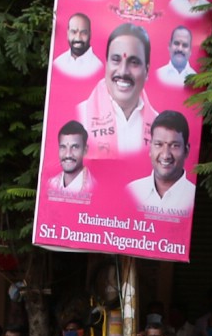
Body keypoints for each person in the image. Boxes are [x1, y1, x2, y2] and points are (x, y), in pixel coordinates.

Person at [81, 23, 157, 157]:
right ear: (106, 64)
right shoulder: (81, 116)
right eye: (116, 60)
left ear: (147, 70)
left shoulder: (160, 126)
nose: (123, 71)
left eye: (134, 62)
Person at [125, 111, 196, 219]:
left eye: (174, 145)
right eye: (158, 144)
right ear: (150, 148)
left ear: (186, 150)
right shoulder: (132, 191)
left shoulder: (192, 197)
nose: (166, 155)